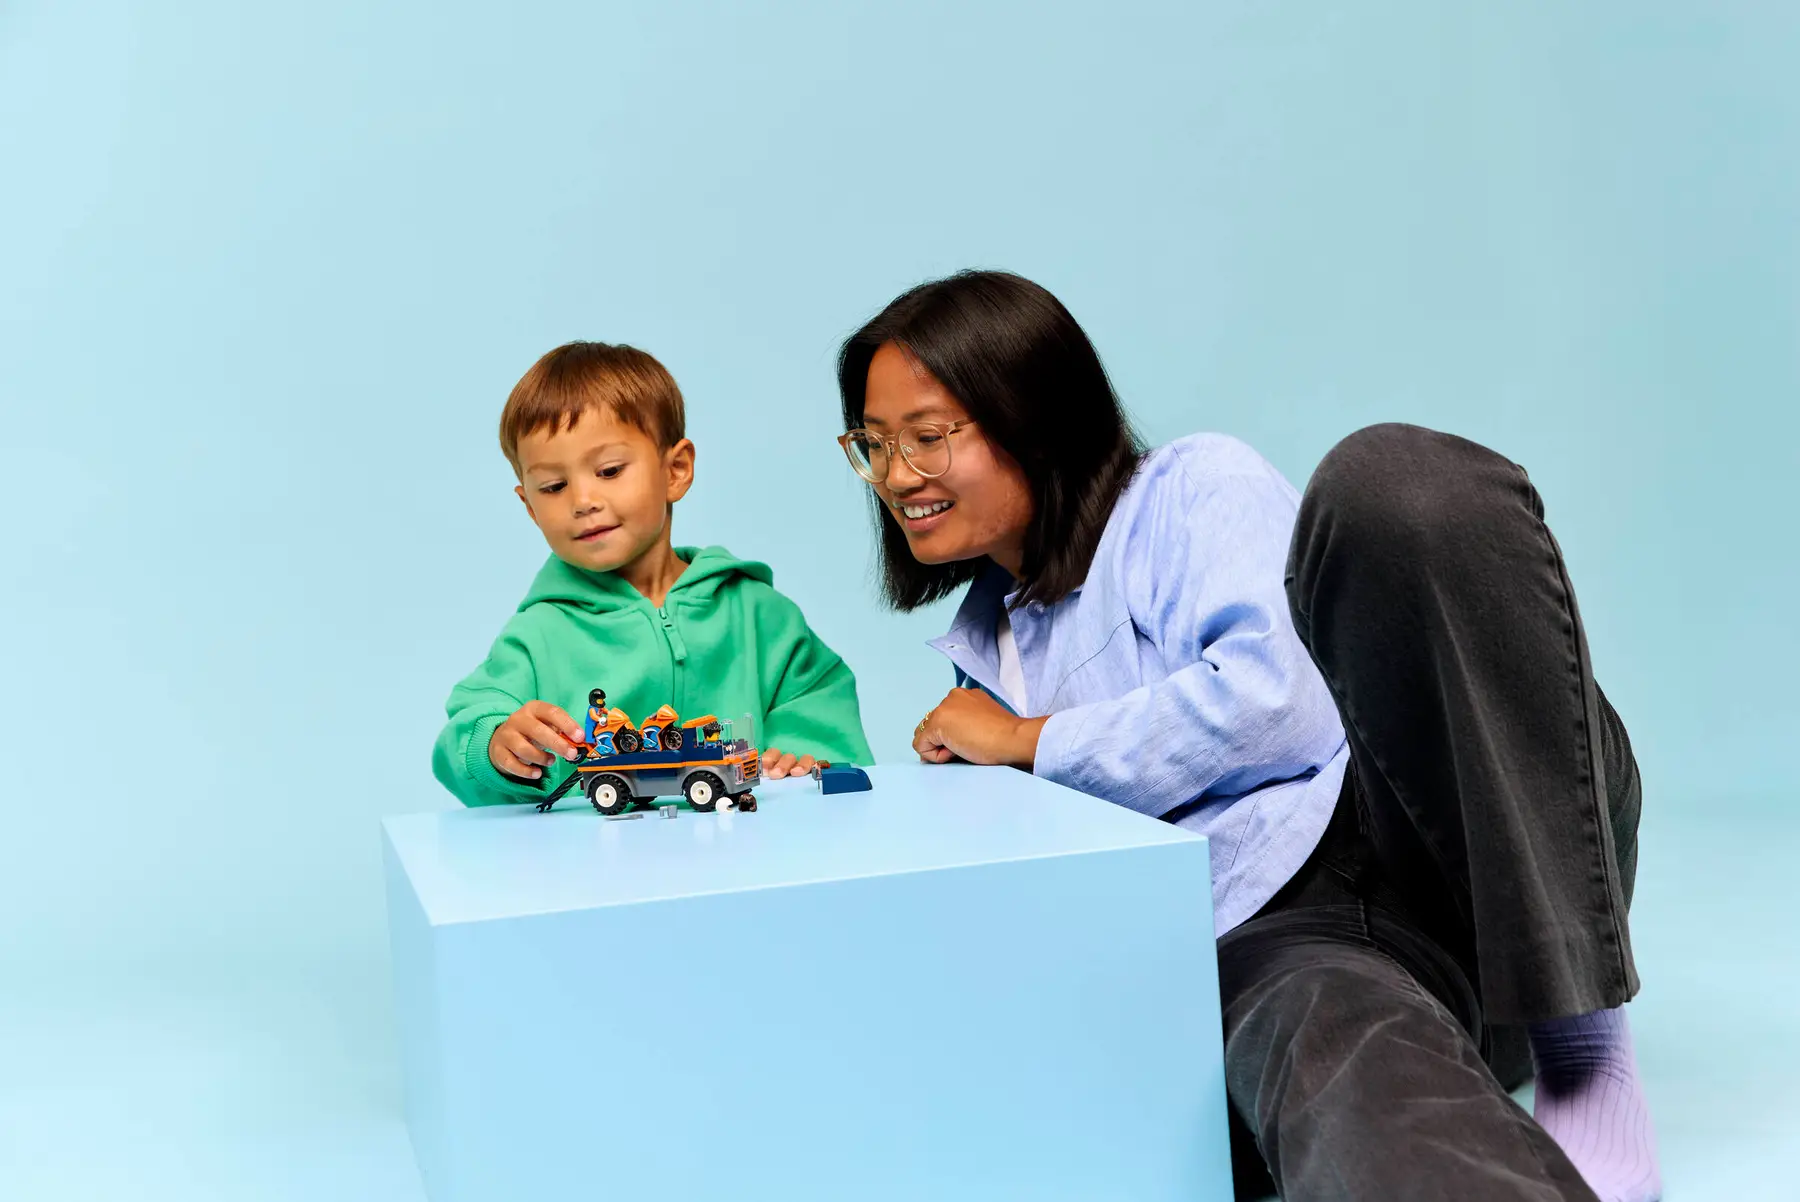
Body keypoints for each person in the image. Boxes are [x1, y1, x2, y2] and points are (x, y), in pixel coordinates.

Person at [834, 270, 1660, 1202]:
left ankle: (1585, 1043)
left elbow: (1281, 707)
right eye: (874, 444)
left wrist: (1029, 742)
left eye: (928, 437)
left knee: (1390, 482)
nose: (896, 476)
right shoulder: (985, 654)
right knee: (1338, 1063)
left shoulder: (1190, 489)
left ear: (1036, 418)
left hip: (1449, 839)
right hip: (1286, 947)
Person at [433, 340, 870, 807]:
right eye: (554, 486)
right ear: (530, 507)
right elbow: (467, 733)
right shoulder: (537, 636)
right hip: (596, 852)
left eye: (609, 471)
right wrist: (496, 745)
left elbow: (821, 711)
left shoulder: (760, 615)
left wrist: (798, 759)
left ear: (675, 470)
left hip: (748, 845)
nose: (583, 501)